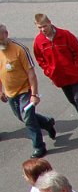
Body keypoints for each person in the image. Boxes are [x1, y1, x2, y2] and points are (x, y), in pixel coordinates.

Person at [32, 14, 78, 142]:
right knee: (72, 100)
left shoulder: (65, 35)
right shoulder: (38, 41)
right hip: (59, 77)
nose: (43, 29)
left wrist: (77, 68)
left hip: (73, 74)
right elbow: (40, 60)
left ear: (50, 22)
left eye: (44, 26)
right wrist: (49, 72)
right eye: (40, 27)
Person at [1, 24, 57, 158]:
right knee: (23, 117)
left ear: (6, 34)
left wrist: (34, 94)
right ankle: (47, 122)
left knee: (28, 119)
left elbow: (31, 74)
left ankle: (39, 147)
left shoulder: (20, 49)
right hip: (10, 93)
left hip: (24, 90)